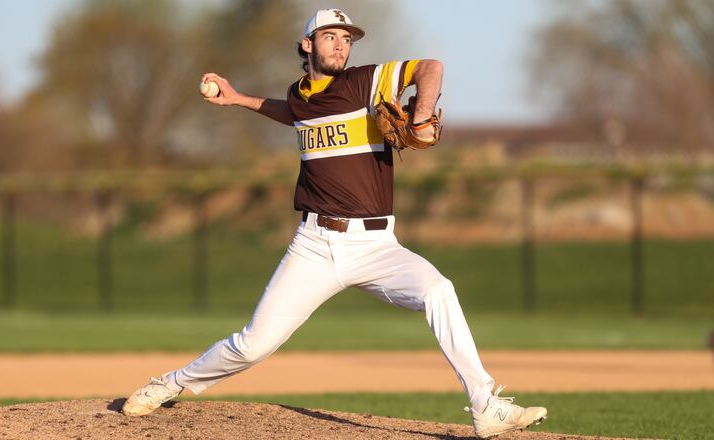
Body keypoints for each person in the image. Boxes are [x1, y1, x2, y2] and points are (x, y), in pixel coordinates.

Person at [122, 9, 547, 438]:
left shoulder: (364, 82)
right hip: (315, 244)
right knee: (253, 345)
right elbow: (293, 112)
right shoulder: (300, 94)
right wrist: (239, 99)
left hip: (378, 245)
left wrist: (422, 112)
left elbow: (430, 68)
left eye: (347, 38)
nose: (341, 44)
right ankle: (170, 384)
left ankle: (484, 404)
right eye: (330, 36)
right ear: (307, 45)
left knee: (439, 290)